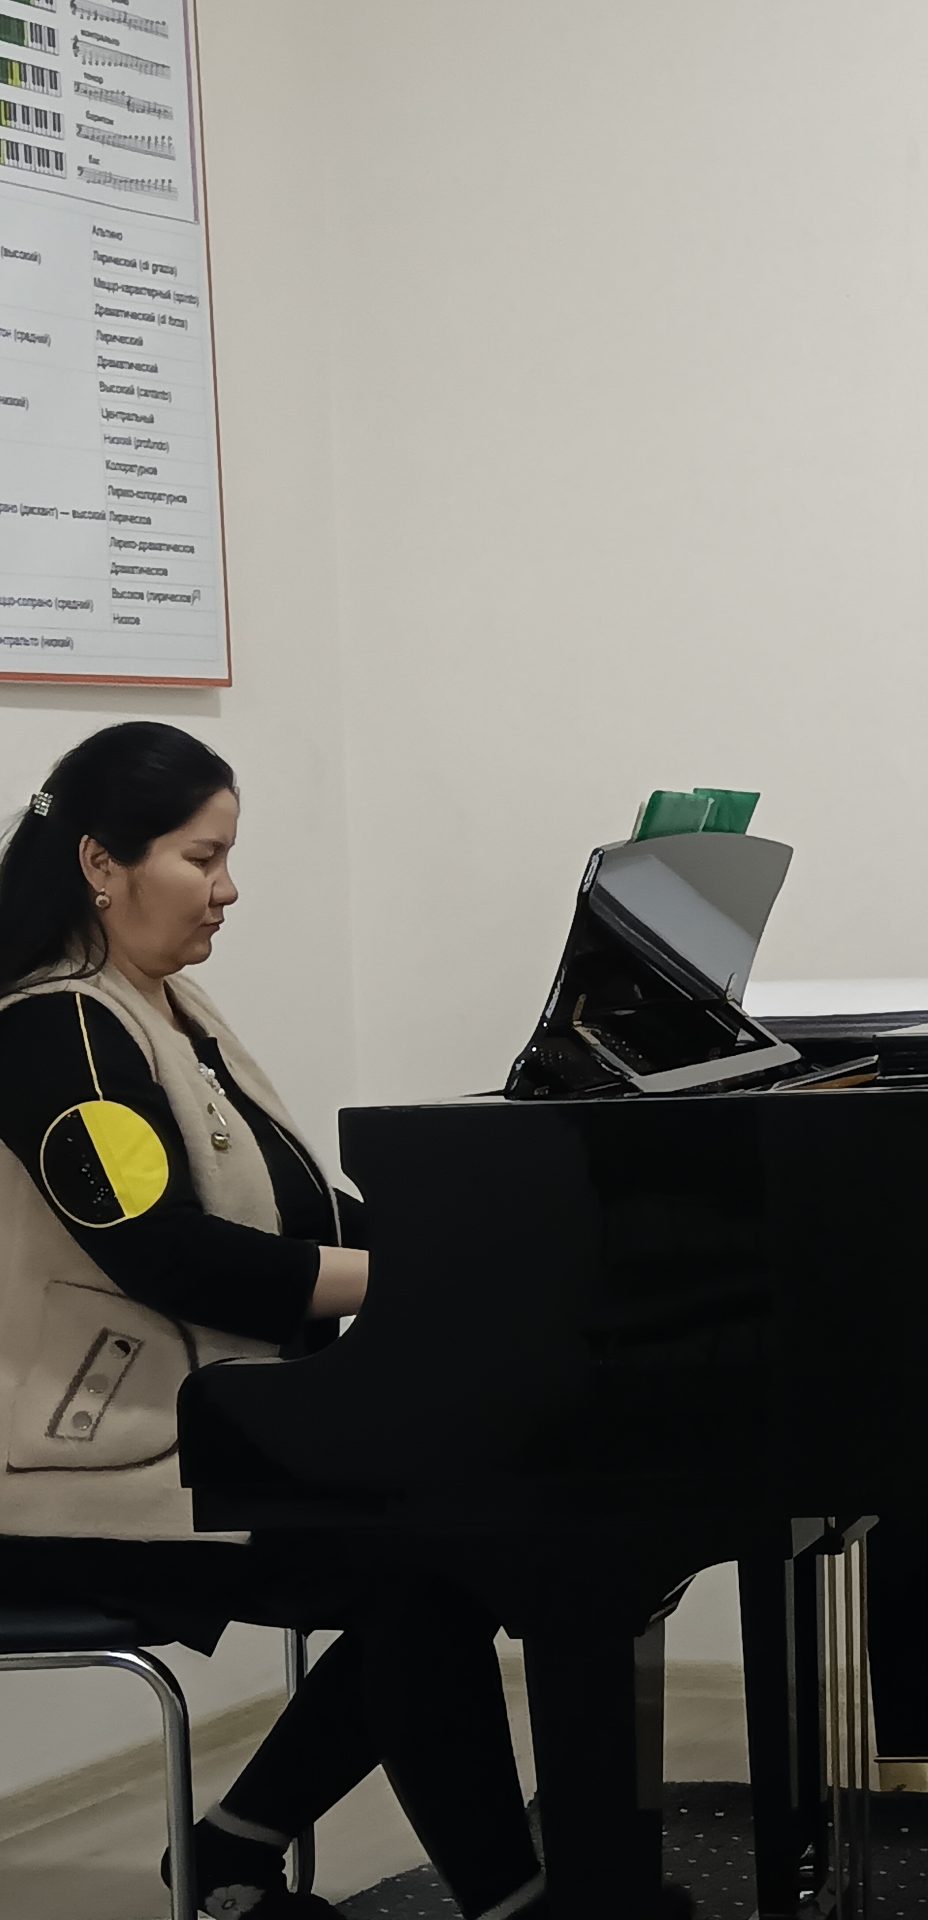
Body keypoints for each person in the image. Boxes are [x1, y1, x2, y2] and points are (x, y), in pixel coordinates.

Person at [0, 723, 564, 1920]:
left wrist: (468, 1249)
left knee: (456, 1550)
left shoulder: (159, 1007)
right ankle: (493, 1899)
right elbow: (169, 1257)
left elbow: (297, 1212)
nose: (228, 888)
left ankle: (238, 1849)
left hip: (202, 1437)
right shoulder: (54, 1030)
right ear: (101, 863)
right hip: (77, 1478)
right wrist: (423, 1282)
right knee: (426, 1571)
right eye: (202, 858)